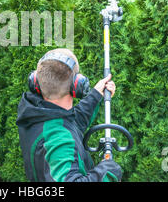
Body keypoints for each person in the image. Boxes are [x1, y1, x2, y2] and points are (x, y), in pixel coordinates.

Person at [16, 48, 122, 182]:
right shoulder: (59, 139)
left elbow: (72, 123)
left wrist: (96, 95)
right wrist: (108, 172)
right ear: (77, 85)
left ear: (35, 82)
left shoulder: (38, 114)